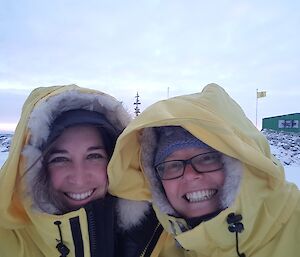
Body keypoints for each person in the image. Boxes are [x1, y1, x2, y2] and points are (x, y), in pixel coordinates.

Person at [108, 83, 300, 257]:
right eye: (173, 165)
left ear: (240, 163)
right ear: (157, 182)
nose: (191, 175)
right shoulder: (157, 246)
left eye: (207, 158)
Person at [0, 84, 160, 257]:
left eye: (93, 156)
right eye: (60, 159)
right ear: (35, 169)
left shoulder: (158, 230)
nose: (79, 178)